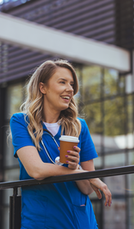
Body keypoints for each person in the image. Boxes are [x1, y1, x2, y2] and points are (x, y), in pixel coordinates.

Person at [10, 60, 112, 229]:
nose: (70, 89)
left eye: (71, 84)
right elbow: (36, 170)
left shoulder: (80, 127)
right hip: (42, 222)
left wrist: (78, 168)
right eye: (62, 82)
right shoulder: (21, 122)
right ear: (43, 88)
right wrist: (82, 173)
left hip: (80, 222)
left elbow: (87, 189)